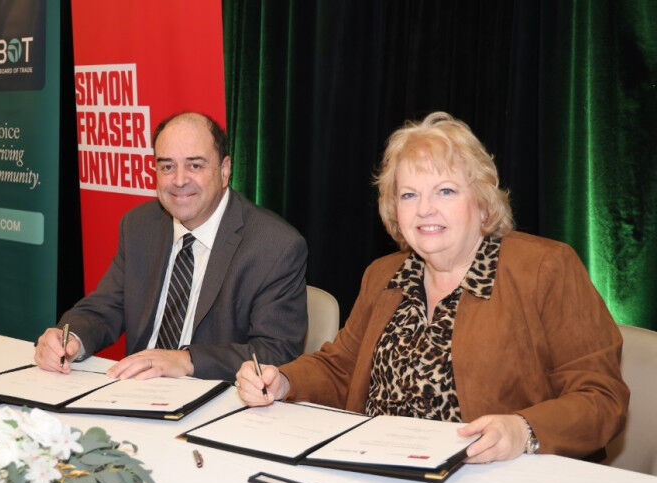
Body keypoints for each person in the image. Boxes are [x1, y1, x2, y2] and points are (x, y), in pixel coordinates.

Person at [236, 111, 629, 463]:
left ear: (481, 200)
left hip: (492, 480)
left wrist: (522, 429)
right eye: (409, 195)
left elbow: (601, 397)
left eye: (445, 191)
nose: (425, 209)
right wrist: (283, 380)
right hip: (377, 467)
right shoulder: (384, 275)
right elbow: (342, 368)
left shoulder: (545, 268)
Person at [35, 112, 308, 380]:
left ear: (225, 170)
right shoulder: (140, 225)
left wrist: (186, 360)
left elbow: (276, 352)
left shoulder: (275, 246)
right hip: (136, 390)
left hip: (218, 397)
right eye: (167, 167)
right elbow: (105, 308)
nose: (179, 180)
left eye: (195, 166)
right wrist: (69, 338)